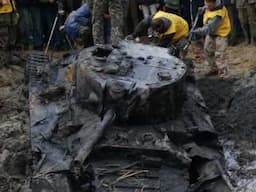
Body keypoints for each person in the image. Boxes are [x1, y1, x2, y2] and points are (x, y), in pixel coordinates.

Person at [192, 0, 231, 77]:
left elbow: (209, 28)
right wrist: (203, 9)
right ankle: (213, 69)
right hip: (211, 35)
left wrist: (197, 31)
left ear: (214, 3)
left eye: (209, 3)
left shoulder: (218, 14)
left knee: (219, 55)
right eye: (206, 2)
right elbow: (207, 7)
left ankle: (223, 73)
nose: (207, 4)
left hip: (221, 34)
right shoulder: (210, 6)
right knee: (208, 51)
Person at [0, 0, 19, 67]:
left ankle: (10, 57)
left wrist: (15, 10)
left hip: (11, 13)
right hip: (2, 14)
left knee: (12, 37)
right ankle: (2, 60)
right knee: (3, 39)